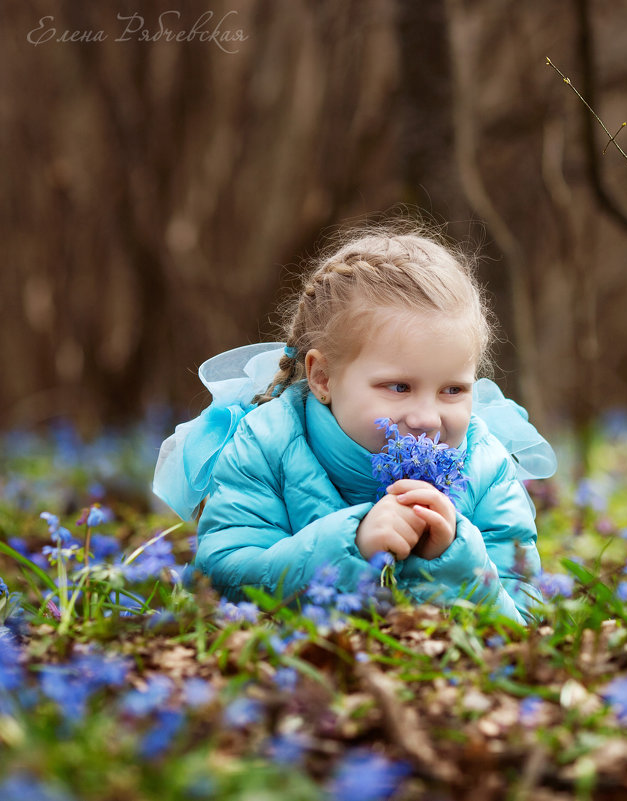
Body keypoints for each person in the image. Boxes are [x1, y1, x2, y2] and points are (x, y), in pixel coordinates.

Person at [152, 226, 556, 623]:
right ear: (323, 378)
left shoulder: (486, 468)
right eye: (399, 387)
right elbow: (224, 577)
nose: (427, 419)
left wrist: (452, 558)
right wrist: (352, 544)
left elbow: (524, 618)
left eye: (452, 390)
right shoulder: (265, 445)